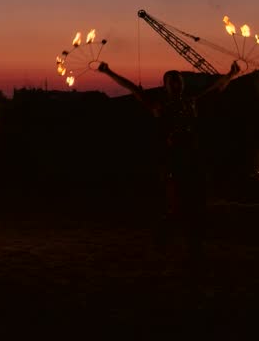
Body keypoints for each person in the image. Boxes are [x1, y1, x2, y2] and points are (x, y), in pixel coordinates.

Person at [98, 60, 241, 268]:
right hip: (173, 160)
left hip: (193, 159)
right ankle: (163, 235)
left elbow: (214, 89)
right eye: (172, 82)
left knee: (196, 206)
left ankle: (194, 249)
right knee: (176, 207)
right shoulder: (160, 105)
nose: (176, 85)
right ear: (165, 85)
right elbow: (132, 88)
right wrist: (109, 72)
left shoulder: (191, 102)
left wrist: (231, 74)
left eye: (179, 81)